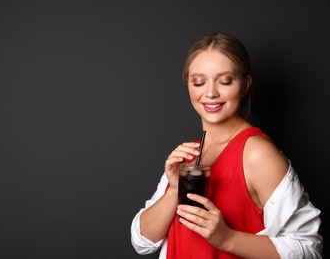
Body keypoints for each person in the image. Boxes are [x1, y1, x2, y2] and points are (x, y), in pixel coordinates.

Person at [130, 32, 323, 258]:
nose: (210, 93)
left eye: (225, 81)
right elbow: (142, 241)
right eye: (199, 82)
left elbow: (308, 250)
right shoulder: (189, 155)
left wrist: (227, 238)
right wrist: (174, 189)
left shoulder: (257, 154)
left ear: (245, 84)